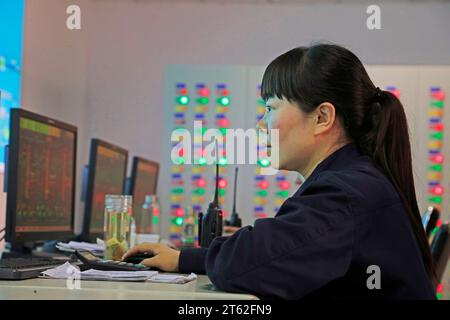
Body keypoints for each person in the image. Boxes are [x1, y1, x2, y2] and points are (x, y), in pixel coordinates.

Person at [123, 44, 436, 299]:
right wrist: (187, 258)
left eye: (270, 108)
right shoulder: (353, 180)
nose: (260, 124)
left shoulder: (346, 191)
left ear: (322, 117)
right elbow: (277, 249)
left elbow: (252, 264)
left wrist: (184, 258)